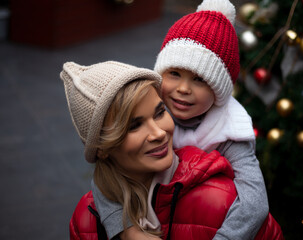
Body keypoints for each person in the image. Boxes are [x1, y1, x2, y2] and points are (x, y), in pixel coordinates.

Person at [93, 0, 271, 239]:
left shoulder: (229, 133)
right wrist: (126, 228)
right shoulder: (149, 109)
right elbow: (107, 171)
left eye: (199, 79)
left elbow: (255, 200)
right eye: (174, 74)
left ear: (219, 90)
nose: (183, 89)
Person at [61, 61, 239, 240]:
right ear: (102, 149)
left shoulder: (220, 199)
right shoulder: (86, 218)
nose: (159, 133)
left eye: (160, 113)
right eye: (135, 125)